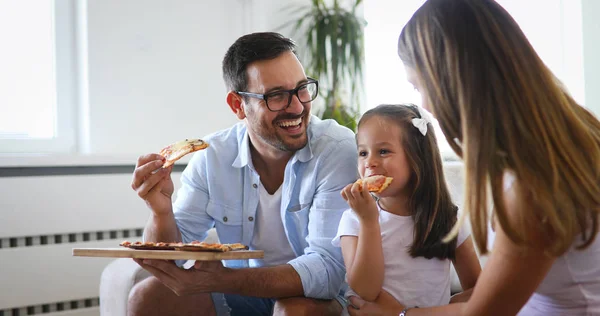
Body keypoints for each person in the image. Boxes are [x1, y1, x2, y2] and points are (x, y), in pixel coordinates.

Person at [348, 0, 600, 315]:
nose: (426, 105)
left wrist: (401, 314)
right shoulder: (577, 138)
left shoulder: (532, 189)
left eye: (421, 87)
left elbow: (482, 312)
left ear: (455, 82)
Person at [129, 32, 359, 316]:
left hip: (321, 299)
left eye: (301, 88)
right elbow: (170, 258)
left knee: (294, 311)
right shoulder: (211, 156)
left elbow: (327, 272)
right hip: (244, 292)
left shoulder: (337, 149)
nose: (298, 106)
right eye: (276, 96)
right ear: (238, 105)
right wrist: (160, 211)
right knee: (147, 297)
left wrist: (222, 279)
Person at [333, 104, 480, 313]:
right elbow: (365, 290)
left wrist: (447, 306)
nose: (370, 163)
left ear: (417, 159)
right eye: (363, 153)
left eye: (383, 151)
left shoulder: (447, 220)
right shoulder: (354, 220)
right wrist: (369, 222)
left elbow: (480, 290)